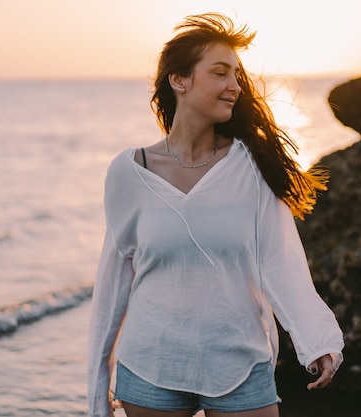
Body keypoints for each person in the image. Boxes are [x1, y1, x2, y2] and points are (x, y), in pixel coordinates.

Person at [87, 12, 344, 417]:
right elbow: (115, 277)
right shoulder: (128, 172)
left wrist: (317, 341)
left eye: (237, 76)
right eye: (221, 73)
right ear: (179, 80)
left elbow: (280, 261)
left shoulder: (252, 165)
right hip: (151, 368)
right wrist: (98, 383)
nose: (235, 86)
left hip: (241, 364)